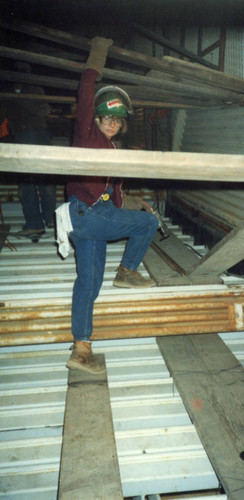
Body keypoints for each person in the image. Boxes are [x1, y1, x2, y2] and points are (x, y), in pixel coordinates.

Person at [62, 37, 159, 375]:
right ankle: (128, 271)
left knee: (88, 282)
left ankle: (81, 348)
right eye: (107, 118)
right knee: (148, 224)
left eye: (117, 122)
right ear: (98, 118)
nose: (111, 124)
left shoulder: (114, 151)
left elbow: (112, 193)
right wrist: (97, 53)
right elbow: (86, 92)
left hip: (93, 221)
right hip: (86, 214)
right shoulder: (86, 135)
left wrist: (131, 200)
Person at [0, 70, 56, 239]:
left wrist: (21, 96)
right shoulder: (7, 92)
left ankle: (45, 221)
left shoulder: (34, 90)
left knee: (38, 181)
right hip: (23, 137)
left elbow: (45, 110)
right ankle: (41, 222)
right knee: (32, 182)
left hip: (36, 135)